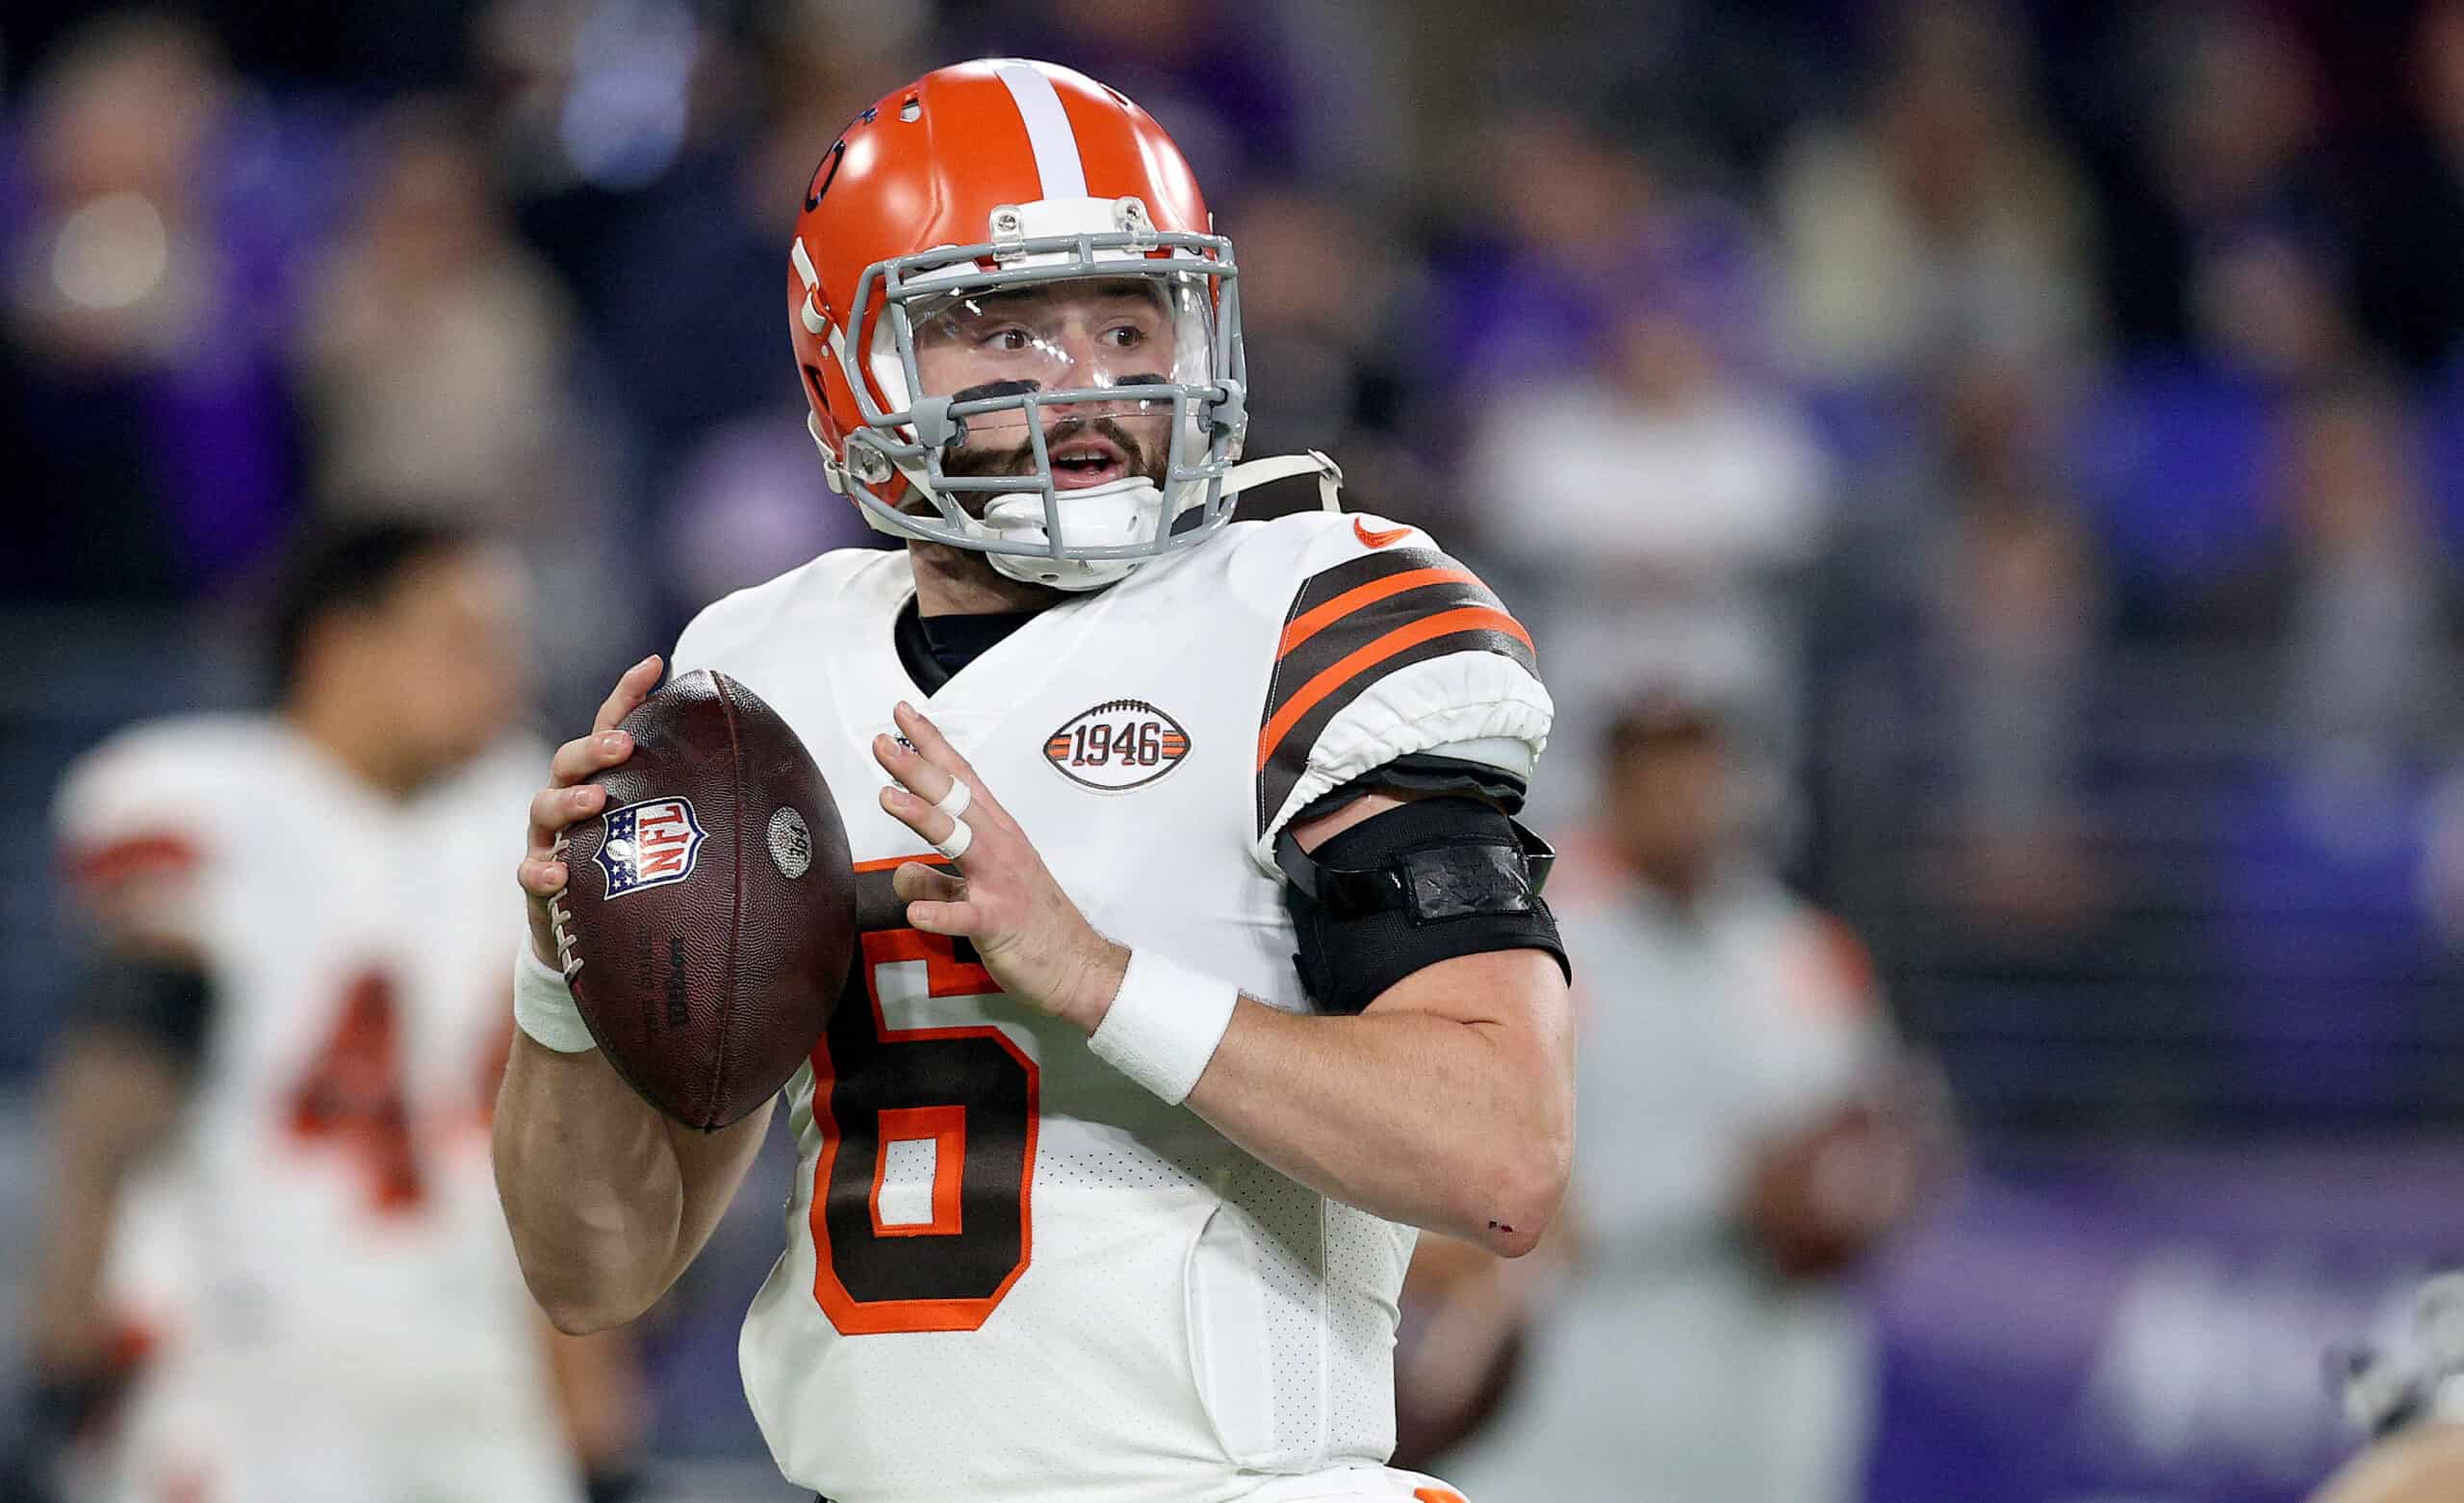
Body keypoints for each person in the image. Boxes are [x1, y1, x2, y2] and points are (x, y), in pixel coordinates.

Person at [494, 58, 1573, 1503]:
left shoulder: (1310, 609)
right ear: (851, 361)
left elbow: (1501, 1154)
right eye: (1001, 330)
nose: (1090, 385)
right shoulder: (760, 666)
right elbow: (595, 1268)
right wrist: (567, 969)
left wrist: (1098, 975)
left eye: (1129, 319)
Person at [20, 520, 634, 1503]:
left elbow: (568, 1148)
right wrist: (64, 1322)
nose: (503, 672)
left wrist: (593, 1408)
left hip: (474, 1357)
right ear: (342, 643)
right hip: (242, 1351)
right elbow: (124, 1066)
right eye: (462, 639)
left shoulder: (525, 814)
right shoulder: (192, 790)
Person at [1440, 687, 1938, 1503]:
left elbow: (1884, 1129)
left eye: (1705, 782)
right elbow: (1487, 1175)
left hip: (1776, 1370)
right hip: (1594, 1368)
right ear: (1612, 793)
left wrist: (1863, 1192)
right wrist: (1725, 1185)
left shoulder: (1801, 951)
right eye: (1661, 784)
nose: (1688, 808)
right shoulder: (1537, 945)